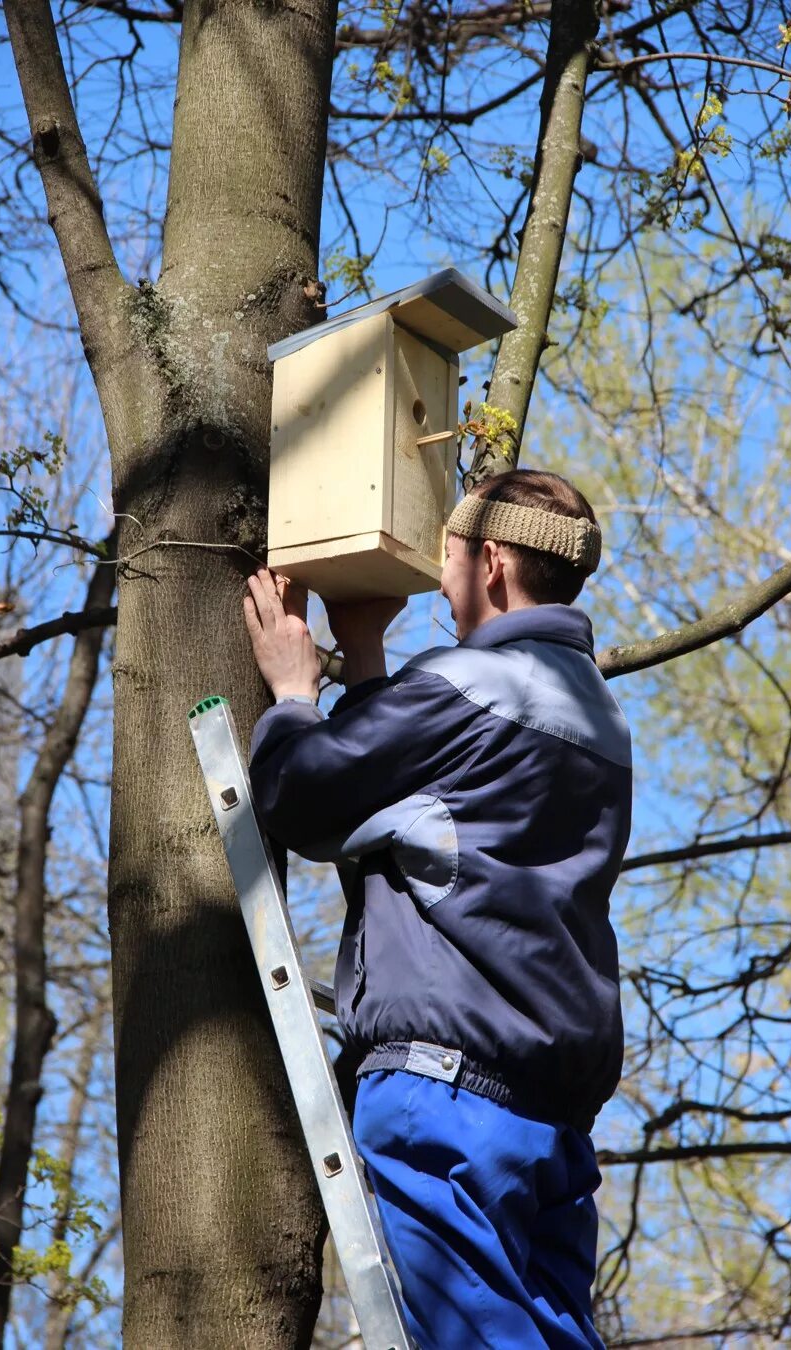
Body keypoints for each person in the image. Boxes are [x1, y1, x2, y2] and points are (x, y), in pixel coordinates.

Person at [243, 469, 632, 1349]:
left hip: (447, 1104)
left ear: (492, 563)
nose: (441, 572)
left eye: (452, 553)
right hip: (550, 1124)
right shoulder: (597, 715)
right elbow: (431, 826)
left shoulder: (465, 686)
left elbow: (307, 797)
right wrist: (368, 661)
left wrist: (296, 696)